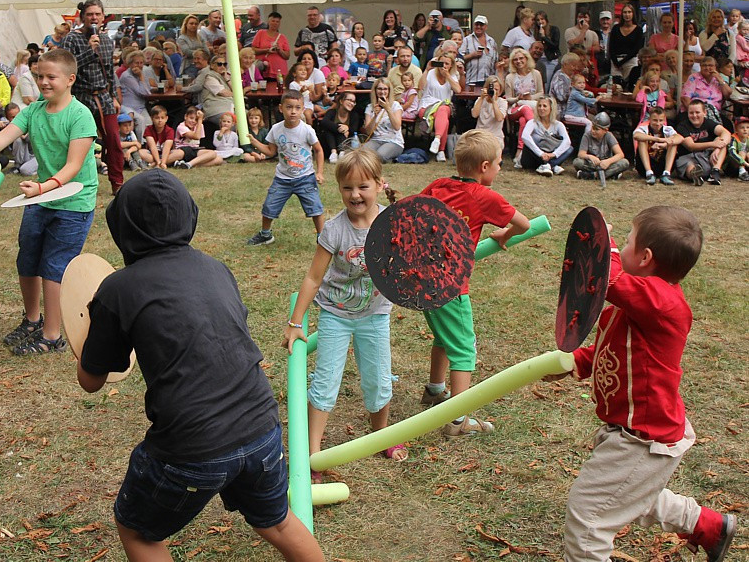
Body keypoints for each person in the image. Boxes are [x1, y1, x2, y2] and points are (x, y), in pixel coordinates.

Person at [76, 170, 324, 562]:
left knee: (138, 531)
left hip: (191, 446)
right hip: (261, 426)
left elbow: (91, 381)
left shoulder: (118, 289)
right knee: (276, 521)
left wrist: (88, 327)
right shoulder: (216, 268)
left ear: (121, 225)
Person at [550, 206, 737, 562]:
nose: (623, 243)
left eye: (629, 239)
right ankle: (709, 526)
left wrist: (605, 245)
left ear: (646, 257)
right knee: (627, 495)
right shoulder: (637, 305)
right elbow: (610, 346)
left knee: (589, 516)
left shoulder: (664, 304)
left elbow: (611, 279)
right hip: (635, 432)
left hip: (644, 439)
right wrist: (576, 363)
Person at [0, 49, 98, 355]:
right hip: (41, 196)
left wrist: (42, 187)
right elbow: (1, 138)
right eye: (39, 76)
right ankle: (33, 321)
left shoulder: (80, 116)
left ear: (70, 79)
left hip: (73, 201)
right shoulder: (33, 111)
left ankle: (52, 336)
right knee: (28, 259)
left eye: (51, 77)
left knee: (53, 266)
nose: (43, 82)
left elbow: (74, 166)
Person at [285, 149, 407, 480]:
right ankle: (313, 454)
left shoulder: (390, 224)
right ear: (339, 189)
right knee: (325, 383)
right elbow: (313, 277)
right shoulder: (334, 230)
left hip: (375, 315)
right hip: (336, 315)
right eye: (347, 188)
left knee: (379, 380)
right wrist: (296, 323)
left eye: (363, 187)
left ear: (380, 185)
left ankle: (381, 437)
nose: (355, 195)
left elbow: (406, 265)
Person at [419, 131, 530, 434]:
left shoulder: (439, 185)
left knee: (444, 337)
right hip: (451, 286)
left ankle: (434, 389)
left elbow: (414, 214)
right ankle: (458, 420)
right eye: (498, 163)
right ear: (484, 166)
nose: (500, 168)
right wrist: (504, 234)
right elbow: (523, 224)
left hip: (423, 280)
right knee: (464, 348)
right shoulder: (483, 197)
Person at [245, 90, 325, 246]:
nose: (293, 112)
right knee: (269, 206)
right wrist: (255, 143)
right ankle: (266, 234)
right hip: (282, 178)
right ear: (281, 108)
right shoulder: (276, 129)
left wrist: (320, 172)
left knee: (315, 208)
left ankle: (322, 237)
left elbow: (319, 150)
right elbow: (270, 151)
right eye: (289, 107)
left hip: (305, 178)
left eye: (297, 108)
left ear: (302, 109)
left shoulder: (307, 130)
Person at [62, 0, 124, 195]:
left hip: (104, 97)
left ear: (103, 17)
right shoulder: (72, 38)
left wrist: (114, 96)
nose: (94, 18)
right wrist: (90, 50)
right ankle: (75, 183)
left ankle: (117, 183)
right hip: (81, 97)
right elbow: (66, 69)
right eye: (90, 14)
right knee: (80, 144)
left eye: (97, 14)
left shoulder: (107, 40)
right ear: (83, 17)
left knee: (114, 140)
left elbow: (110, 71)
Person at [418, 40, 463, 162]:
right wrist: (426, 70)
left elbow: (458, 90)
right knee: (444, 119)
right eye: (442, 63)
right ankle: (441, 150)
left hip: (444, 106)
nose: (444, 66)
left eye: (447, 64)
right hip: (428, 105)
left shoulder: (452, 75)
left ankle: (437, 140)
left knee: (443, 109)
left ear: (451, 65)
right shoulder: (431, 73)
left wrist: (447, 75)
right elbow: (420, 87)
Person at [674, 98, 731, 186]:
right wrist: (712, 144)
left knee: (721, 141)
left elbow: (726, 133)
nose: (694, 115)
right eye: (691, 113)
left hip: (705, 156)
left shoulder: (709, 123)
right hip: (687, 156)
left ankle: (715, 172)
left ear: (705, 113)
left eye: (697, 112)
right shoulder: (682, 126)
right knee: (690, 166)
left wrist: (717, 148)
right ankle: (695, 175)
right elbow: (691, 146)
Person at [505, 47, 543, 167]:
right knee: (525, 110)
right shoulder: (510, 77)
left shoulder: (536, 74)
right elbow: (507, 98)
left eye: (521, 58)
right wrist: (518, 99)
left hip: (532, 105)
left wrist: (530, 98)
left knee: (523, 122)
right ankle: (539, 132)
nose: (518, 61)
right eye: (515, 59)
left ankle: (520, 153)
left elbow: (541, 92)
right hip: (516, 107)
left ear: (527, 59)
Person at [521, 95, 574, 175]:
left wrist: (554, 154)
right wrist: (541, 153)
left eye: (544, 106)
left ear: (551, 108)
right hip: (533, 158)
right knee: (530, 142)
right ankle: (553, 165)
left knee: (569, 148)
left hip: (549, 156)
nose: (541, 108)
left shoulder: (558, 125)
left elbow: (567, 141)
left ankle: (548, 165)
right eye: (539, 106)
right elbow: (525, 136)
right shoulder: (532, 122)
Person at [573, 111, 628, 180]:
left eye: (597, 129)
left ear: (605, 130)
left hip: (606, 164)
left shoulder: (609, 136)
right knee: (577, 162)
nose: (593, 131)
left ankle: (593, 175)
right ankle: (610, 175)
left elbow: (620, 154)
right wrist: (590, 156)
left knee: (624, 163)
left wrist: (608, 161)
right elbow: (581, 154)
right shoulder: (587, 135)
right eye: (592, 127)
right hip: (592, 164)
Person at [634, 106, 680, 185]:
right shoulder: (643, 129)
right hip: (645, 166)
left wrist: (665, 144)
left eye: (661, 120)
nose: (658, 124)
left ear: (664, 120)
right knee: (642, 140)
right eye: (655, 120)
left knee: (673, 142)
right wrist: (659, 140)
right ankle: (649, 173)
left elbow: (680, 138)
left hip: (662, 164)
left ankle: (666, 174)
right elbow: (636, 135)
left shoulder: (668, 129)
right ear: (649, 119)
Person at [681, 56, 733, 126]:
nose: (707, 68)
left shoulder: (718, 79)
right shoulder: (694, 78)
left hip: (715, 114)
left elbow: (728, 95)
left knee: (728, 126)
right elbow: (685, 98)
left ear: (715, 67)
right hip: (695, 113)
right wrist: (696, 113)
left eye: (710, 65)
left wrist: (720, 80)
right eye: (704, 65)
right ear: (700, 67)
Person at [363, 78, 404, 163]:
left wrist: (388, 109)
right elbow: (368, 132)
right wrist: (375, 116)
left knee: (379, 156)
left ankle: (390, 159)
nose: (382, 92)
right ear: (375, 90)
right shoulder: (370, 107)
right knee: (362, 154)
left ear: (389, 91)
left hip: (394, 141)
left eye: (385, 89)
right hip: (376, 139)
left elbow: (397, 127)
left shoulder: (395, 106)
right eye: (379, 89)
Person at [318, 91, 360, 163]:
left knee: (341, 131)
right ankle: (334, 152)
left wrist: (348, 128)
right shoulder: (332, 112)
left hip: (345, 143)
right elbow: (324, 122)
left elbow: (354, 130)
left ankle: (341, 152)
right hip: (328, 145)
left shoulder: (354, 115)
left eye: (353, 102)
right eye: (349, 100)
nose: (352, 103)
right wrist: (340, 127)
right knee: (330, 129)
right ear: (341, 101)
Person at [609, 3, 644, 84]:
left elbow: (636, 49)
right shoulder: (616, 28)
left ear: (633, 14)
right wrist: (616, 62)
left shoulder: (638, 29)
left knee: (629, 84)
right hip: (616, 61)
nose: (627, 15)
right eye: (625, 12)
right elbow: (611, 47)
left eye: (629, 12)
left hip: (630, 60)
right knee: (616, 85)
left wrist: (623, 62)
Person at [459, 15, 498, 87]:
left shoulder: (491, 41)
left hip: (489, 81)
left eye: (481, 25)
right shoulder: (467, 40)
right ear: (474, 25)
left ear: (486, 27)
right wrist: (472, 55)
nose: (479, 27)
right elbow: (459, 59)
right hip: (472, 81)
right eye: (477, 24)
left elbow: (496, 61)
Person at [472, 75, 508, 150]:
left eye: (496, 89)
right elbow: (474, 115)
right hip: (480, 135)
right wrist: (482, 98)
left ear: (500, 91)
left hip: (495, 136)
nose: (494, 91)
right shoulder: (480, 100)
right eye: (491, 89)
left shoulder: (502, 102)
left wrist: (494, 101)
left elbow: (499, 118)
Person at [252, 12, 290, 82]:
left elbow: (287, 56)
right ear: (268, 22)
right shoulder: (261, 33)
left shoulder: (282, 37)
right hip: (264, 69)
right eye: (273, 21)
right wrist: (266, 50)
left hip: (279, 71)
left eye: (277, 22)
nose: (275, 23)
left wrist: (279, 50)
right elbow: (253, 50)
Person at [533, 11, 561, 86]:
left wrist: (544, 37)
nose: (540, 22)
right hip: (539, 60)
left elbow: (555, 45)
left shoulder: (554, 30)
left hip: (550, 60)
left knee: (547, 83)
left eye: (542, 19)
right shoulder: (535, 32)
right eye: (538, 20)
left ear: (546, 20)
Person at [176, 14, 204, 79]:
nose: (194, 25)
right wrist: (201, 51)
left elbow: (207, 51)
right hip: (188, 67)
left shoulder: (200, 37)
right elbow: (187, 52)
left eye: (196, 24)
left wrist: (195, 52)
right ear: (186, 24)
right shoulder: (182, 39)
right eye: (191, 23)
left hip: (202, 66)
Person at [726, 116, 749, 181]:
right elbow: (731, 153)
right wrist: (745, 163)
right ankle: (742, 173)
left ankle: (744, 172)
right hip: (732, 166)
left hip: (746, 166)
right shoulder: (733, 139)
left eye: (747, 127)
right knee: (742, 152)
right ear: (736, 129)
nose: (745, 130)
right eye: (742, 128)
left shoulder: (748, 139)